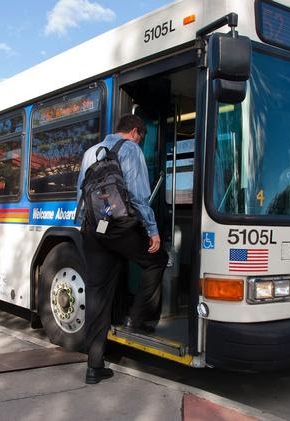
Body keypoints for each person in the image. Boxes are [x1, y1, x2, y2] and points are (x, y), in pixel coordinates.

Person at [75, 114, 168, 384]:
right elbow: (138, 196)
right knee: (156, 260)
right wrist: (152, 231)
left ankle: (94, 367)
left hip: (93, 230)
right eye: (142, 136)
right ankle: (135, 320)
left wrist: (86, 227)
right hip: (120, 229)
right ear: (136, 132)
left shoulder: (90, 152)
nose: (141, 140)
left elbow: (79, 192)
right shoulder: (131, 149)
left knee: (97, 294)